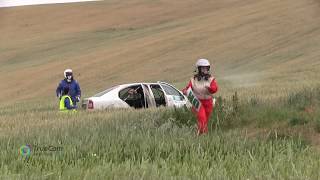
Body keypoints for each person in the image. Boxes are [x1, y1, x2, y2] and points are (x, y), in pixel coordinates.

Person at [182, 59, 218, 135]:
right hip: (197, 103)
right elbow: (188, 88)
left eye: (206, 68)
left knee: (205, 121)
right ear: (198, 69)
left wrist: (211, 89)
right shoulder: (193, 80)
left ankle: (200, 136)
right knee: (202, 118)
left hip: (208, 103)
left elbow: (215, 89)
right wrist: (185, 91)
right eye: (202, 68)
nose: (204, 70)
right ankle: (204, 136)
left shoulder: (211, 79)